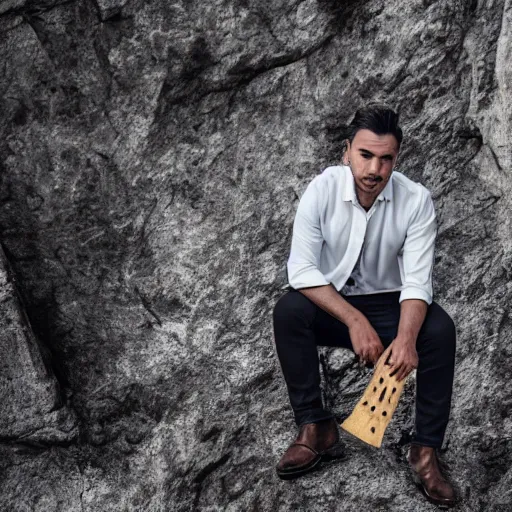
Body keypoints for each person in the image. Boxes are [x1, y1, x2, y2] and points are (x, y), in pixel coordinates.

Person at [272, 105, 457, 507]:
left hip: (390, 304)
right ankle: (317, 428)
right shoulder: (322, 190)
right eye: (365, 155)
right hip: (334, 304)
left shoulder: (416, 200)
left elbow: (416, 281)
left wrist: (406, 339)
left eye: (385, 158)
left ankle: (424, 452)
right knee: (288, 312)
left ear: (396, 158)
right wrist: (354, 320)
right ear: (346, 152)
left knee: (439, 331)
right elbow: (301, 270)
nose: (374, 168)